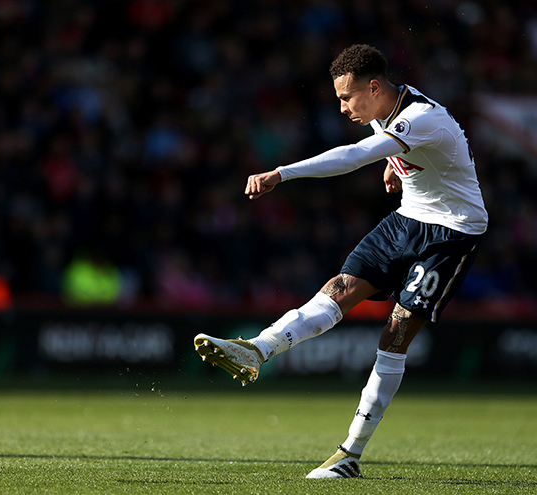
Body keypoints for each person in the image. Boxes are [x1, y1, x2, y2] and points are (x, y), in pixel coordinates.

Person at [194, 44, 487, 479]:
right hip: (407, 219)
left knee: (395, 333)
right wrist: (396, 163)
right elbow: (402, 148)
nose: (343, 106)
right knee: (340, 288)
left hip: (452, 232)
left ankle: (349, 454)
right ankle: (257, 349)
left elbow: (352, 157)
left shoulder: (422, 117)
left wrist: (281, 173)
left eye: (347, 97)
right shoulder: (384, 110)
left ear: (373, 86)